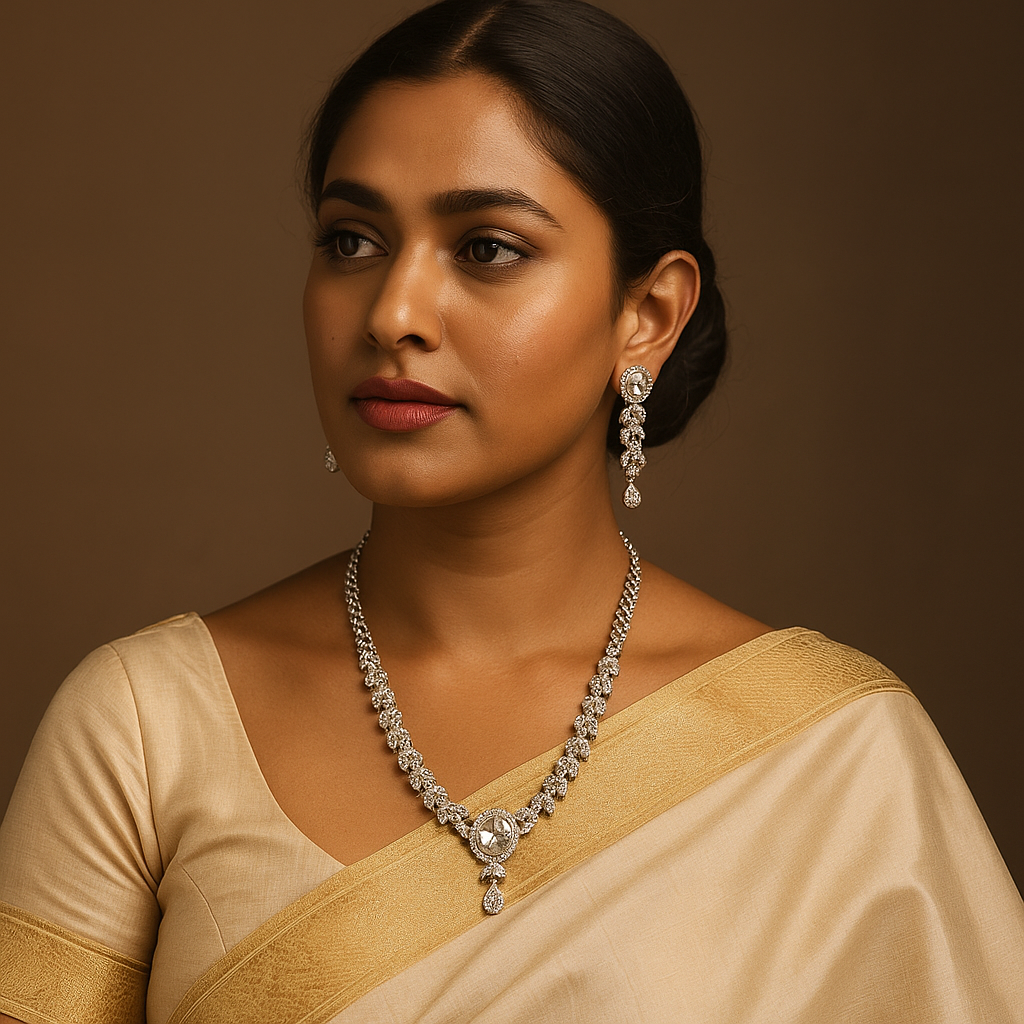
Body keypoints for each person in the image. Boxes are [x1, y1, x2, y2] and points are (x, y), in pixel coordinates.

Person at [1, 0, 1021, 1020]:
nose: (392, 314)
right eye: (351, 240)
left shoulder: (830, 756)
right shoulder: (147, 729)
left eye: (486, 248)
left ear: (648, 314)